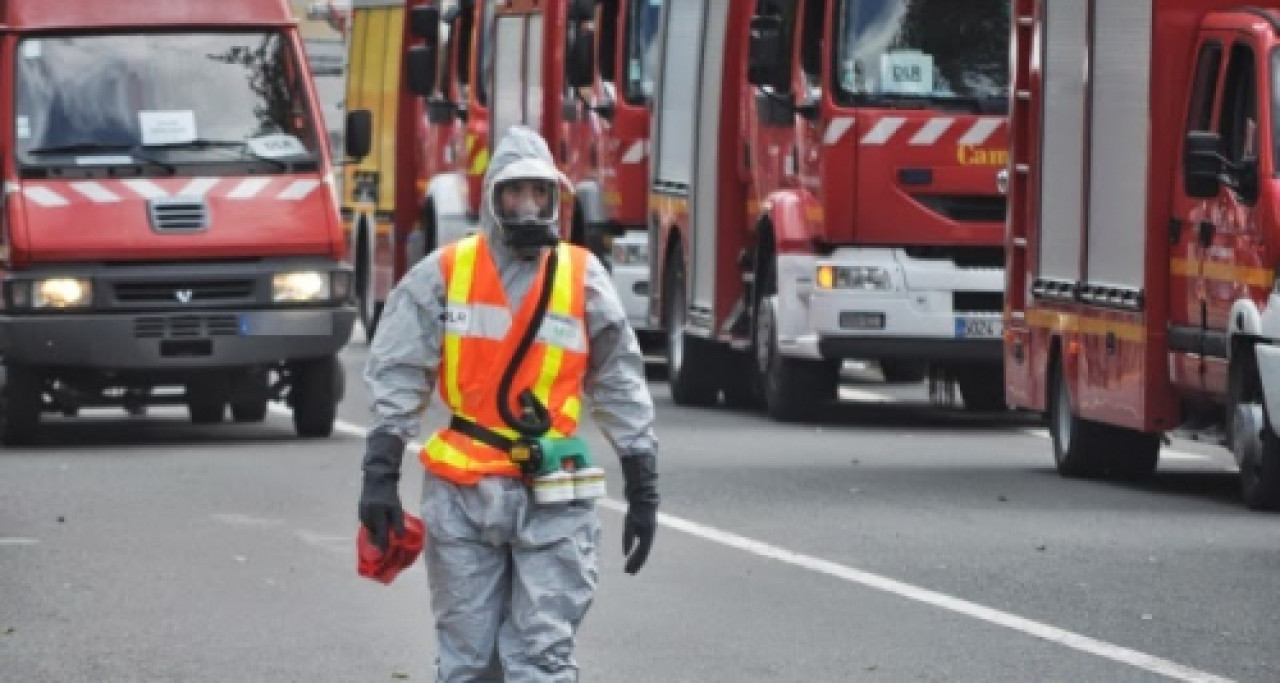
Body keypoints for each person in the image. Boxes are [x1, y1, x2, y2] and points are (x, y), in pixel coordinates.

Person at [358, 125, 660, 682]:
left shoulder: (582, 277)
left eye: (539, 193)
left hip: (552, 492)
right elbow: (398, 370)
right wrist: (380, 474)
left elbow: (620, 379)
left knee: (541, 661)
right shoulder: (445, 273)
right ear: (493, 198)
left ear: (554, 199)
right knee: (468, 664)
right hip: (463, 494)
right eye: (515, 191)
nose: (527, 205)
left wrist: (643, 482)